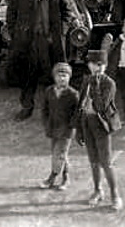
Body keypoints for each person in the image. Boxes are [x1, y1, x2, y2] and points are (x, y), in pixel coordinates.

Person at [7, 0, 82, 121]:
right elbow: (11, 15)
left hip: (52, 41)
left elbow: (67, 12)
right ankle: (27, 108)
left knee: (57, 75)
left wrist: (62, 30)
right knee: (28, 75)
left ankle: (58, 110)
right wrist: (17, 34)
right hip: (29, 41)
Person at [73, 49, 122, 211]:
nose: (98, 68)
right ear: (89, 65)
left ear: (106, 66)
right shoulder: (86, 81)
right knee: (93, 161)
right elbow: (80, 106)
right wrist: (78, 129)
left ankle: (115, 195)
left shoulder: (109, 84)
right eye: (94, 64)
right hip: (87, 123)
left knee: (106, 162)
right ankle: (97, 190)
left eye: (101, 65)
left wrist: (96, 84)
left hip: (102, 125)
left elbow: (101, 106)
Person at [39, 62, 79, 190]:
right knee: (61, 154)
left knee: (59, 153)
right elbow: (44, 109)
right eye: (59, 75)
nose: (62, 78)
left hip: (66, 130)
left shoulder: (73, 94)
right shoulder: (49, 91)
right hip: (53, 128)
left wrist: (72, 126)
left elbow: (77, 113)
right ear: (54, 77)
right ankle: (66, 178)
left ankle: (52, 177)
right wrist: (46, 123)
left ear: (69, 77)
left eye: (65, 75)